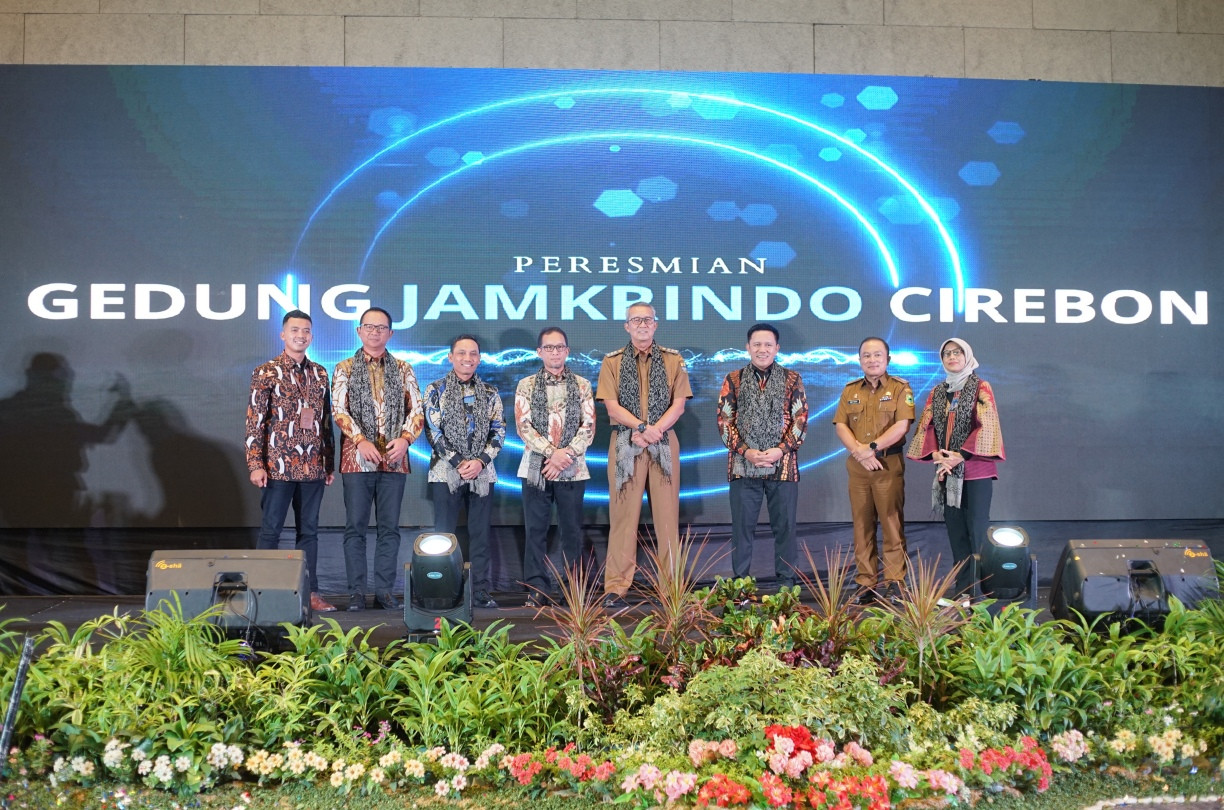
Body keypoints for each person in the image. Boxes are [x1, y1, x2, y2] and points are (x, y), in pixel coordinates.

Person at [596, 302, 692, 609]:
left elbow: (679, 404)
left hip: (663, 442)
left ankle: (670, 586)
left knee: (667, 518)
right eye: (635, 320)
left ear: (655, 325)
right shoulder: (611, 362)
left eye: (647, 320)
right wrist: (640, 426)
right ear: (626, 326)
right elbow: (611, 406)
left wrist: (655, 430)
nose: (642, 325)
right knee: (623, 517)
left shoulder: (673, 359)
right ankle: (616, 585)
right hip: (626, 442)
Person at [244, 310, 337, 613]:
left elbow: (325, 422)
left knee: (308, 532)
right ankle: (260, 592)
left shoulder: (321, 373)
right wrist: (255, 463)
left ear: (312, 336)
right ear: (283, 334)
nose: (301, 335)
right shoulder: (266, 371)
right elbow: (255, 421)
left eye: (306, 330)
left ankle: (309, 593)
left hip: (312, 466)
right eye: (295, 330)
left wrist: (329, 463)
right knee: (271, 530)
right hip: (277, 467)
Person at [332, 307, 424, 611]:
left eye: (381, 328)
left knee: (389, 528)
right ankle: (356, 592)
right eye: (369, 327)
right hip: (357, 459)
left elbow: (417, 411)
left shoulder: (404, 369)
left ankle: (384, 591)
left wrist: (406, 439)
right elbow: (339, 410)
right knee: (355, 528)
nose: (375, 332)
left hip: (395, 459)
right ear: (359, 331)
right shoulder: (344, 368)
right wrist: (360, 440)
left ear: (390, 333)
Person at [906, 338, 1005, 599]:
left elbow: (988, 424)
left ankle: (983, 594)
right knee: (957, 536)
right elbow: (926, 426)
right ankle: (964, 592)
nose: (952, 357)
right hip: (948, 474)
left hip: (976, 472)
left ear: (967, 356)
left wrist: (961, 455)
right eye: (947, 353)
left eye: (957, 352)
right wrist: (937, 453)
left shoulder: (981, 387)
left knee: (977, 534)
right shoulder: (938, 392)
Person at [716, 323, 808, 588]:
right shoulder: (733, 379)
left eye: (768, 345)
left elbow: (801, 420)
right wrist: (748, 452)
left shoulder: (792, 379)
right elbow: (724, 422)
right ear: (748, 347)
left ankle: (787, 590)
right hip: (744, 467)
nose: (762, 349)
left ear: (777, 348)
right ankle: (740, 590)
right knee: (742, 532)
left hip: (784, 467)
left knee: (785, 530)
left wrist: (780, 450)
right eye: (757, 344)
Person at [514, 326, 596, 607]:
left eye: (559, 347)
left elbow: (589, 426)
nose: (554, 352)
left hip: (572, 469)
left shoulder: (583, 385)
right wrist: (552, 454)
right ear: (539, 352)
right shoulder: (525, 385)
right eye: (549, 347)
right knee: (536, 530)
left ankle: (573, 589)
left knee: (571, 531)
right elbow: (523, 427)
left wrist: (565, 456)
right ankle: (537, 587)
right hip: (536, 468)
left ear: (567, 351)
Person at [424, 335, 506, 609]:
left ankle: (480, 590)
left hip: (482, 473)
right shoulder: (435, 390)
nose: (467, 358)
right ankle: (442, 590)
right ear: (450, 357)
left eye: (473, 354)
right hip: (445, 472)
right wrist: (459, 462)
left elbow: (499, 431)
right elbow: (432, 433)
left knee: (480, 534)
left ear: (479, 359)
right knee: (444, 535)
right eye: (461, 353)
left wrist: (480, 461)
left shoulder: (491, 393)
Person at [832, 336, 915, 603]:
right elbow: (842, 425)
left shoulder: (901, 388)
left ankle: (895, 582)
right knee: (862, 525)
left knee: (891, 523)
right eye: (866, 355)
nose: (872, 360)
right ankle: (866, 582)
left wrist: (872, 447)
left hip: (887, 464)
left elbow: (902, 425)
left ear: (888, 359)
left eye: (877, 355)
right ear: (859, 360)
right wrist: (859, 451)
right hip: (858, 466)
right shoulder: (850, 390)